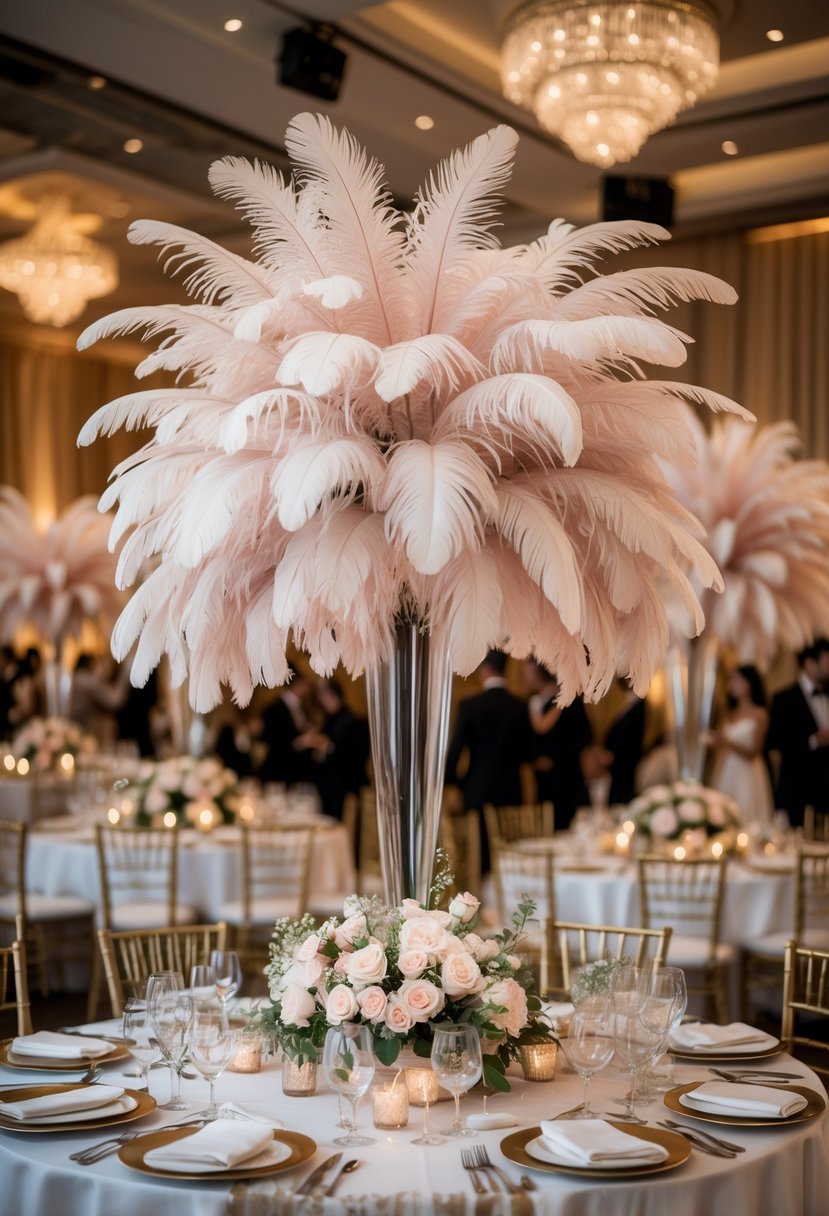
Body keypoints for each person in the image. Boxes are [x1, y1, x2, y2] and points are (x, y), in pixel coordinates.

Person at [445, 650, 531, 872]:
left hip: (477, 789)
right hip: (511, 789)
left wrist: (453, 782)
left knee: (479, 857)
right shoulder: (520, 706)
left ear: (484, 670)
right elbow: (526, 753)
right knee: (508, 855)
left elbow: (456, 751)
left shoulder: (470, 706)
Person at [523, 659, 592, 831]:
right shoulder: (531, 705)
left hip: (568, 784)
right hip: (543, 787)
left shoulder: (569, 702)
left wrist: (552, 757)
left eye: (527, 669)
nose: (523, 674)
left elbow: (584, 737)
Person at [767, 639, 829, 827]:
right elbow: (775, 742)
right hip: (799, 791)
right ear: (810, 664)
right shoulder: (784, 698)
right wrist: (813, 741)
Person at [707, 665, 774, 827]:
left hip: (748, 771)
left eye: (736, 680)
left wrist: (725, 741)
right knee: (724, 814)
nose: (731, 685)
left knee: (747, 814)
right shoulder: (730, 713)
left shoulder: (760, 714)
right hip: (728, 769)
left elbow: (755, 752)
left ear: (748, 683)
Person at [312, 677, 370, 819]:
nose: (321, 700)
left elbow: (355, 755)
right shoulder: (329, 719)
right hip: (330, 786)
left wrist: (327, 746)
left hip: (344, 788)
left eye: (323, 695)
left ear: (332, 695)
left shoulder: (353, 722)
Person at [259, 665, 320, 787]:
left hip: (299, 771)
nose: (306, 688)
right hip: (279, 770)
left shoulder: (302, 706)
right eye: (304, 684)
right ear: (297, 685)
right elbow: (271, 739)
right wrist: (300, 741)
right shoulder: (274, 709)